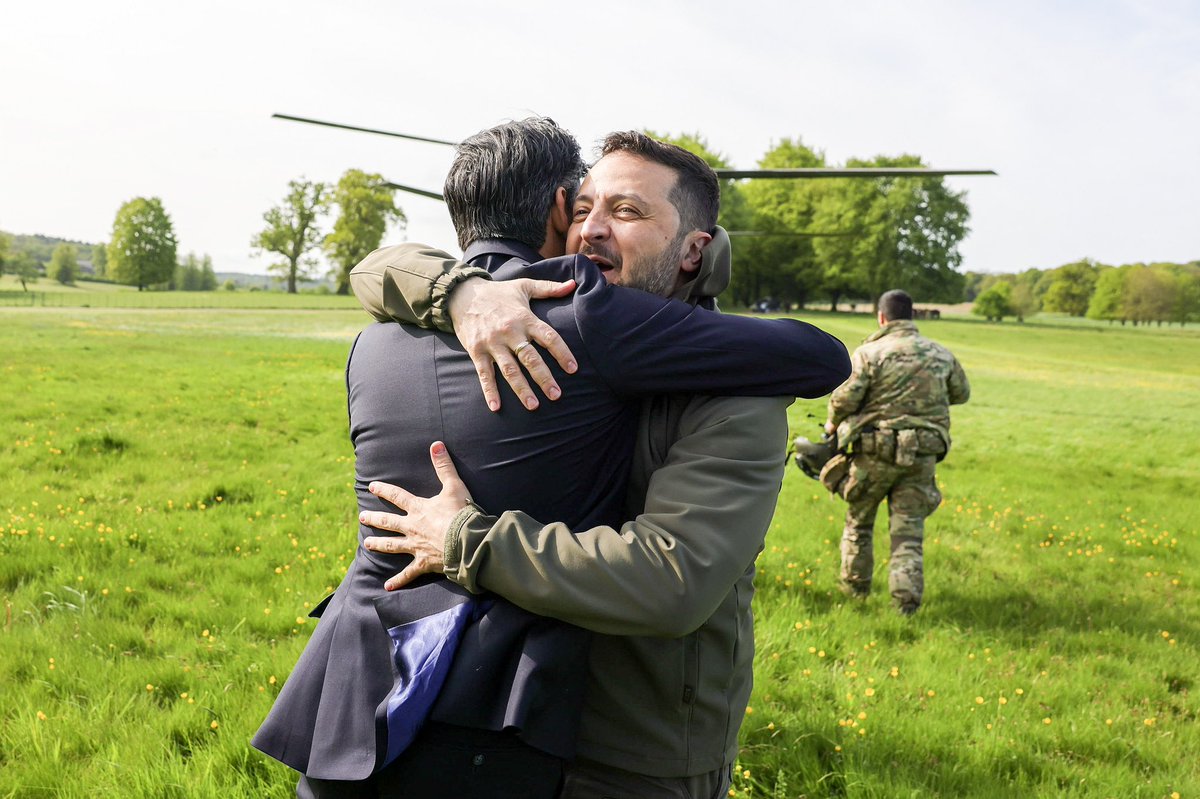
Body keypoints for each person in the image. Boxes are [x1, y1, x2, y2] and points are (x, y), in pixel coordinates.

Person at [253, 119, 850, 798]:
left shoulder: (730, 388)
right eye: (587, 206)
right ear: (559, 211)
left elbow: (673, 576)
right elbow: (376, 268)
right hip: (501, 718)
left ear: (693, 250)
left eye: (626, 211)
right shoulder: (536, 317)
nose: (593, 229)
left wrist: (466, 539)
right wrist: (460, 290)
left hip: (624, 747)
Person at [822, 289, 970, 615]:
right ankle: (905, 604)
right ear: (912, 316)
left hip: (873, 453)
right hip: (922, 456)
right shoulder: (940, 354)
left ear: (881, 317)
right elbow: (961, 393)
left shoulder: (868, 353)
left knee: (859, 524)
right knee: (908, 535)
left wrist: (831, 427)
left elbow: (844, 399)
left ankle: (854, 593)